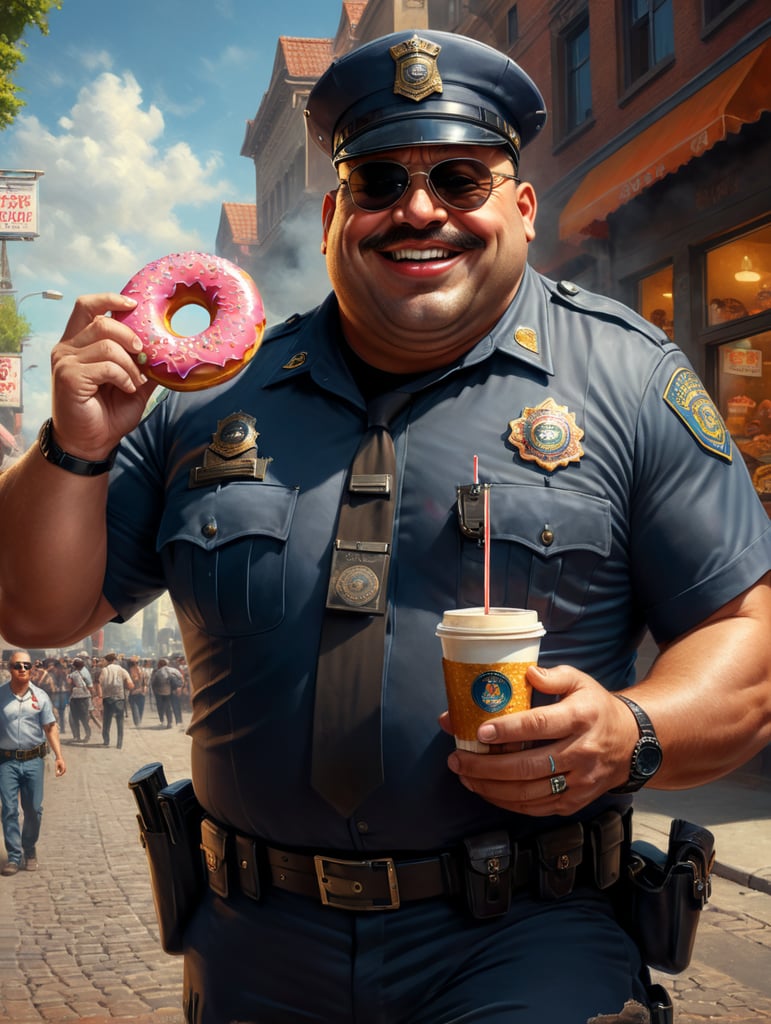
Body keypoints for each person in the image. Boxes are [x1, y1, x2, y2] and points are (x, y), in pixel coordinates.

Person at [0, 28, 769, 1024]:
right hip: (253, 950)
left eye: (460, 178)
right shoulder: (204, 401)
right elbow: (37, 609)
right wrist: (73, 446)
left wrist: (633, 731)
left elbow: (747, 643)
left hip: (531, 942)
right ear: (332, 215)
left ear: (523, 209)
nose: (418, 209)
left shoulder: (629, 378)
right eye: (377, 182)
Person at [0, 651, 66, 874]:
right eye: (17, 665)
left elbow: (50, 727)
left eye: (26, 665)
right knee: (9, 809)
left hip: (34, 761)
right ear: (10, 668)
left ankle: (29, 847)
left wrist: (59, 756)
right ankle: (14, 856)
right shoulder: (0, 696)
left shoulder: (41, 697)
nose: (22, 669)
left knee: (34, 810)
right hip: (6, 761)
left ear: (32, 669)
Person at [95, 652, 131, 749]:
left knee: (107, 721)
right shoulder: (121, 670)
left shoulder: (105, 670)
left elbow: (98, 682)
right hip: (119, 698)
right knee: (120, 721)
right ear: (115, 660)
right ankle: (119, 743)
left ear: (107, 660)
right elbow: (130, 684)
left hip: (108, 699)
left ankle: (106, 741)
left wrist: (100, 695)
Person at [67, 657, 93, 742]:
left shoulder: (73, 674)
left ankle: (77, 736)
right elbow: (90, 686)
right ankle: (87, 735)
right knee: (84, 718)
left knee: (75, 718)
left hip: (75, 699)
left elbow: (69, 685)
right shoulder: (86, 672)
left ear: (74, 666)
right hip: (85, 698)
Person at [149, 658, 175, 729]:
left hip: (164, 692)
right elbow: (153, 681)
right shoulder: (156, 671)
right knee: (165, 707)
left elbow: (153, 682)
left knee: (165, 706)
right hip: (160, 692)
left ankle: (168, 721)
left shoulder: (168, 671)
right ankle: (164, 720)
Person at [127, 655, 147, 726]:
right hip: (136, 692)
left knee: (138, 708)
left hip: (137, 692)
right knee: (137, 708)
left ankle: (138, 722)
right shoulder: (130, 671)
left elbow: (145, 681)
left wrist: (144, 687)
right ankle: (138, 722)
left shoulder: (140, 670)